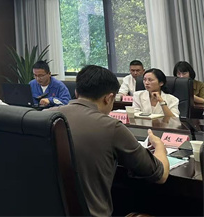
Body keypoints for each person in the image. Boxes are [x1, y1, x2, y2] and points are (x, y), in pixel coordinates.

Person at [53, 65, 169, 216]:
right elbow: (160, 175)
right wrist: (160, 147)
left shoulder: (45, 116)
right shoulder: (110, 126)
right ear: (108, 98)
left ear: (76, 92)